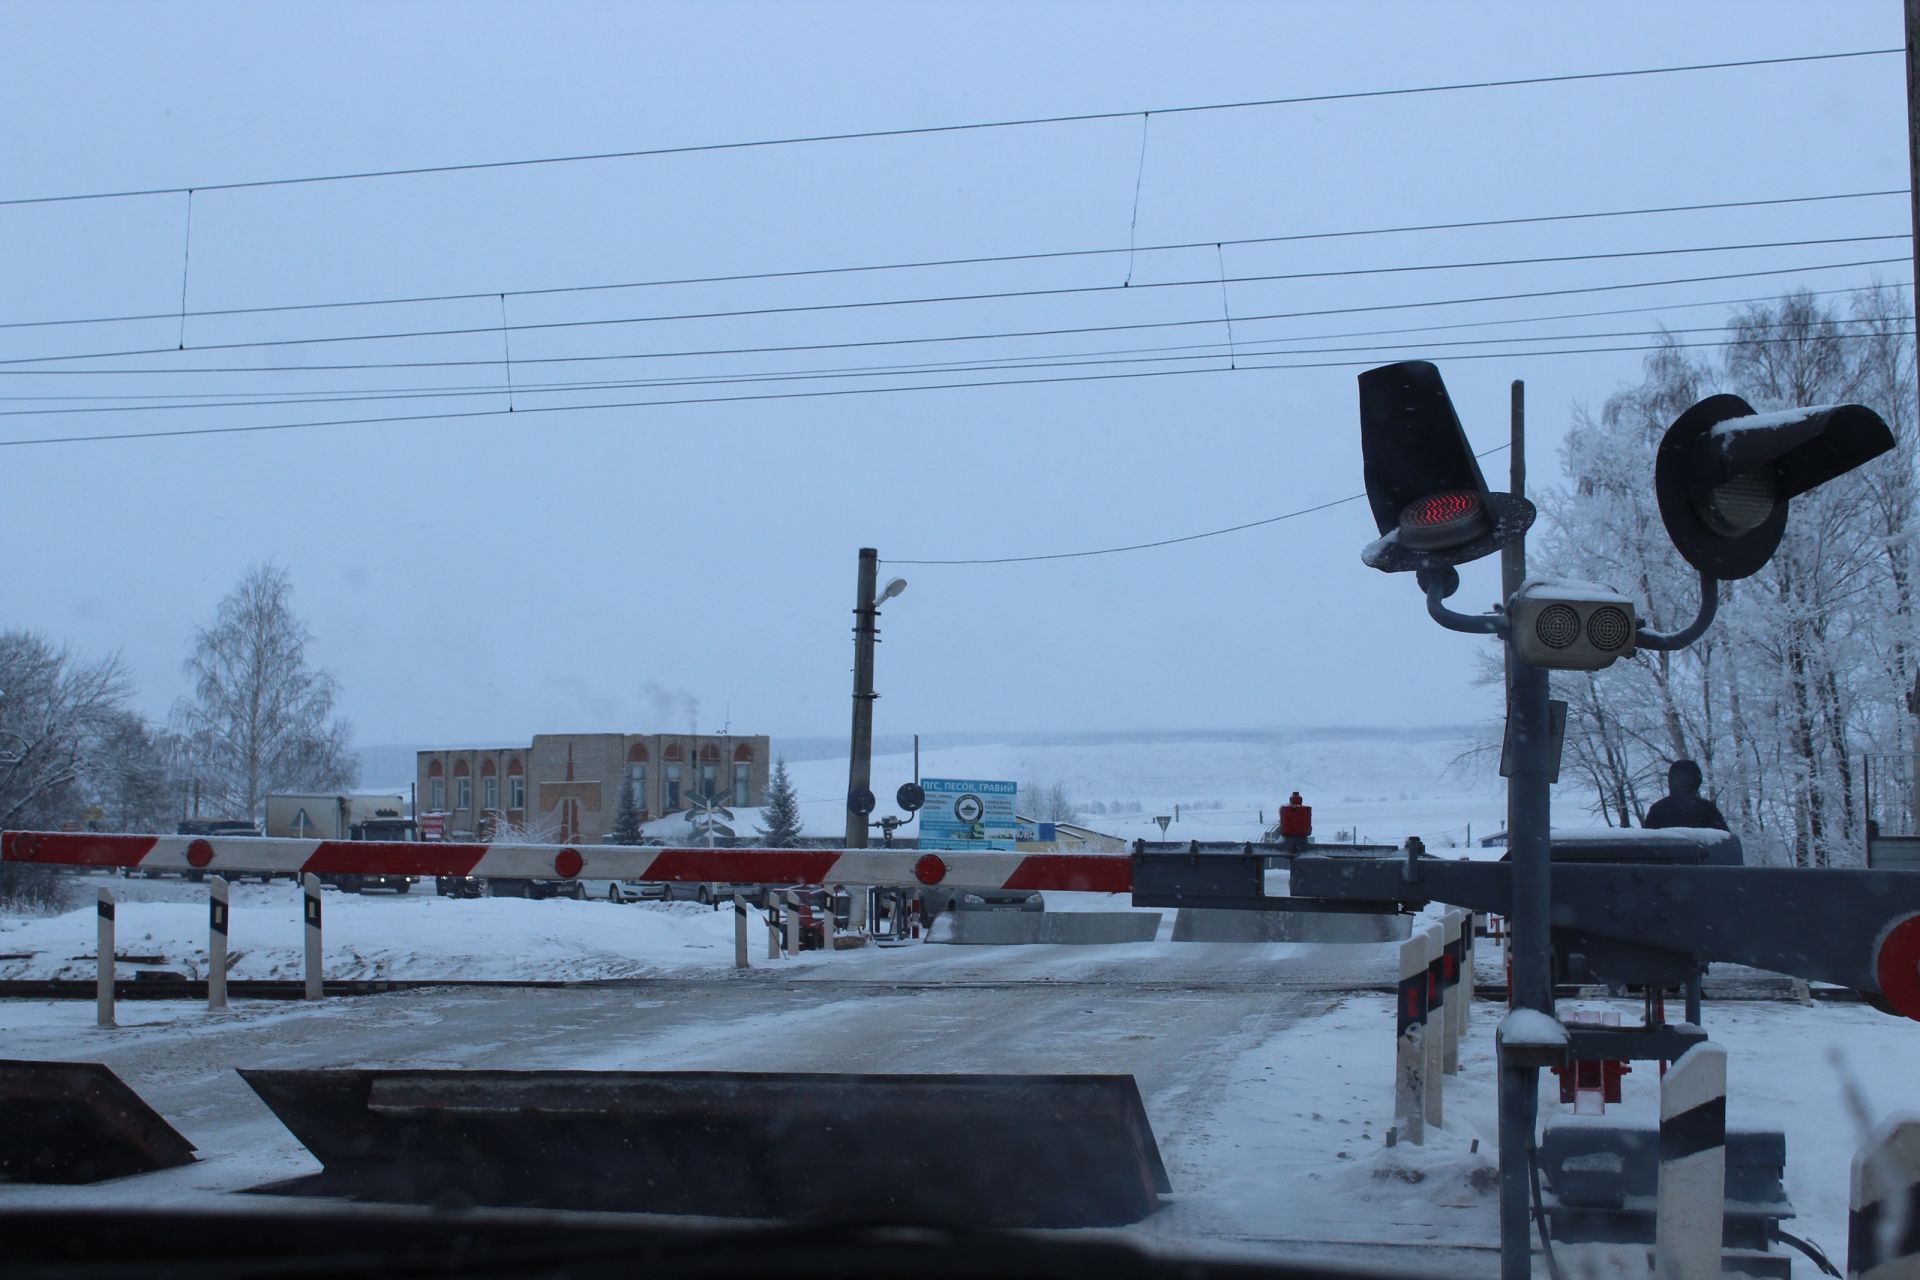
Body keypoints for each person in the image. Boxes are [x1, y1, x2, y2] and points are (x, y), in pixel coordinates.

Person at [1642, 759, 1729, 831]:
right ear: (1697, 781)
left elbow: (1645, 845)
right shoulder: (1708, 809)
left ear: (1671, 781)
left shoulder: (1657, 809)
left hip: (1664, 852)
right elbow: (1726, 844)